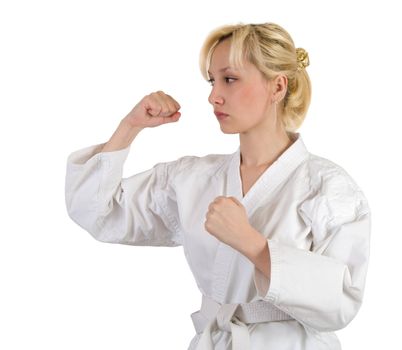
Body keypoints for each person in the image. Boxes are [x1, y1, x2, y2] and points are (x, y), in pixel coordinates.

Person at [65, 22, 371, 350]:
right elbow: (97, 212)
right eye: (212, 81)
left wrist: (252, 244)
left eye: (230, 79)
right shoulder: (192, 178)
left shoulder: (328, 188)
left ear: (277, 87)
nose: (214, 96)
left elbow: (341, 301)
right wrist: (130, 127)